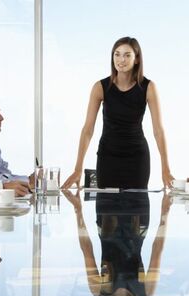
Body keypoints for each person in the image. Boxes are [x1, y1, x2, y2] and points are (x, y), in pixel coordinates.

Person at [62, 37, 174, 189]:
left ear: (136, 59)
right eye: (117, 54)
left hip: (137, 159)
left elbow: (158, 131)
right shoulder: (100, 87)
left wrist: (165, 170)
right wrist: (77, 169)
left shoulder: (148, 87)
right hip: (108, 157)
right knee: (106, 208)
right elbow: (87, 130)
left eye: (127, 55)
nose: (121, 59)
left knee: (137, 208)